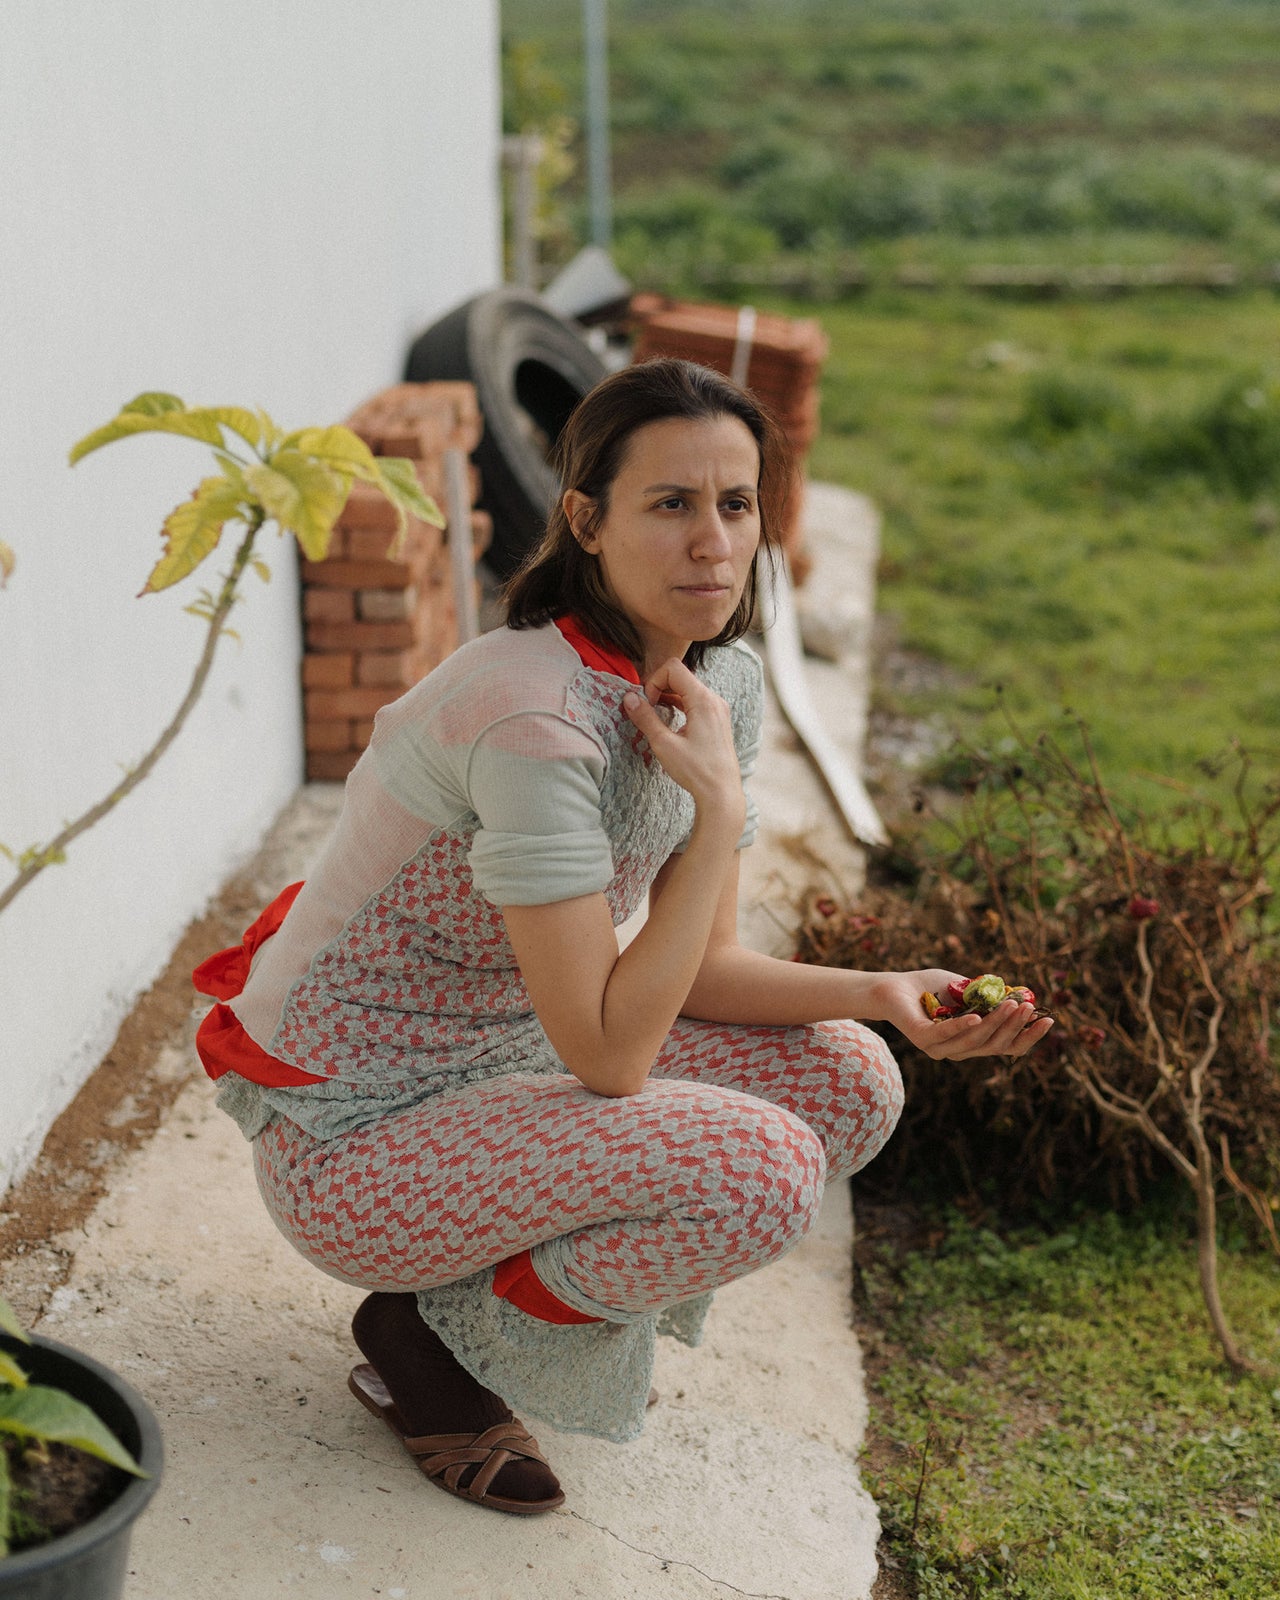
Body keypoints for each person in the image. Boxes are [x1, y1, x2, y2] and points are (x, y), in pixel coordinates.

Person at [193, 357, 1052, 1517]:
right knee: (761, 1170)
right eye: (670, 504)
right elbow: (610, 1057)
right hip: (360, 1134)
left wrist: (885, 987)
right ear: (586, 519)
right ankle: (429, 1340)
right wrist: (720, 819)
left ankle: (444, 1314)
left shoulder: (719, 685)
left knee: (852, 1076)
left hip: (516, 1059)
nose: (711, 541)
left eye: (734, 504)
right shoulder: (530, 714)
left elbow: (697, 970)